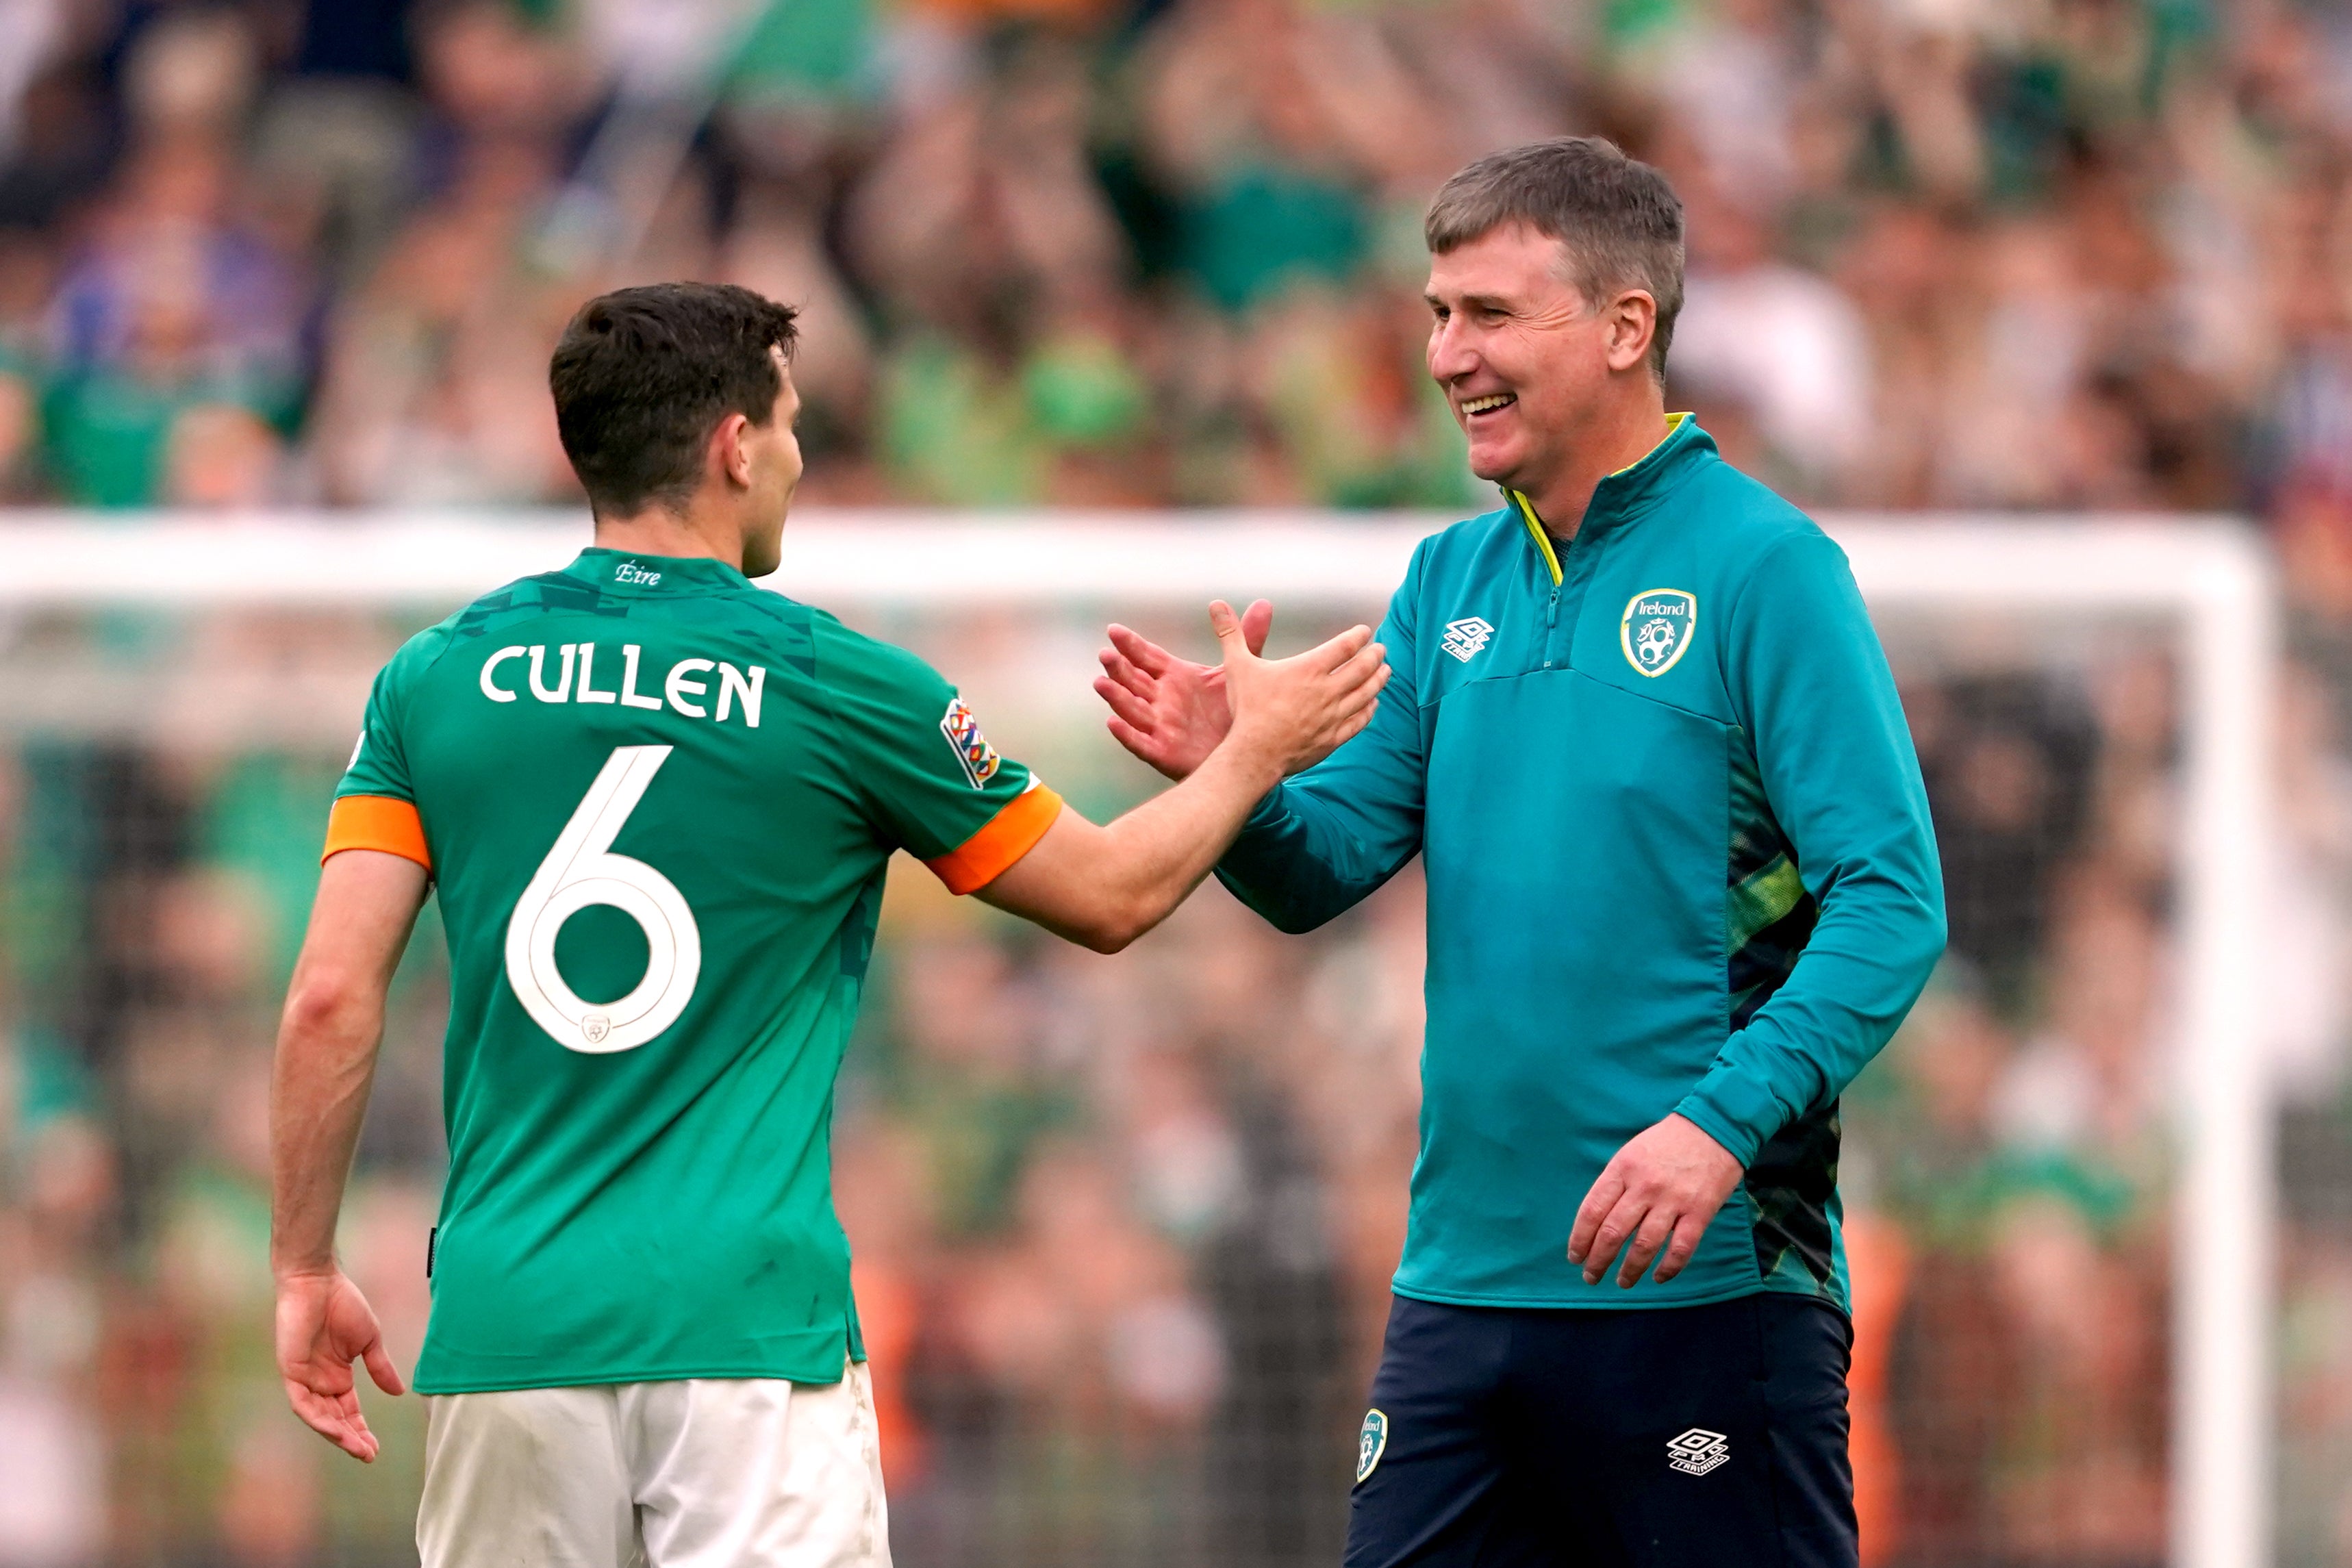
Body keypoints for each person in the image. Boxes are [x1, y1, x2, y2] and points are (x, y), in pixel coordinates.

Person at [268, 281, 1388, 1567]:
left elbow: (329, 1001)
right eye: (791, 425)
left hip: (507, 1327)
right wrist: (1253, 757)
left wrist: (305, 1263)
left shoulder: (434, 678)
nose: (798, 459)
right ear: (733, 446)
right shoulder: (840, 684)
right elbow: (1112, 894)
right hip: (748, 1333)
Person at [1093, 138, 1945, 1567]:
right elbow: (1330, 861)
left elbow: (1891, 898)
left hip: (1707, 1293)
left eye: (1488, 313)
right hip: (1462, 1290)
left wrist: (1713, 1127)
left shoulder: (1764, 568)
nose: (1445, 354)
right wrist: (1232, 774)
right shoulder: (1448, 577)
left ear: (1623, 327)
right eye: (1437, 313)